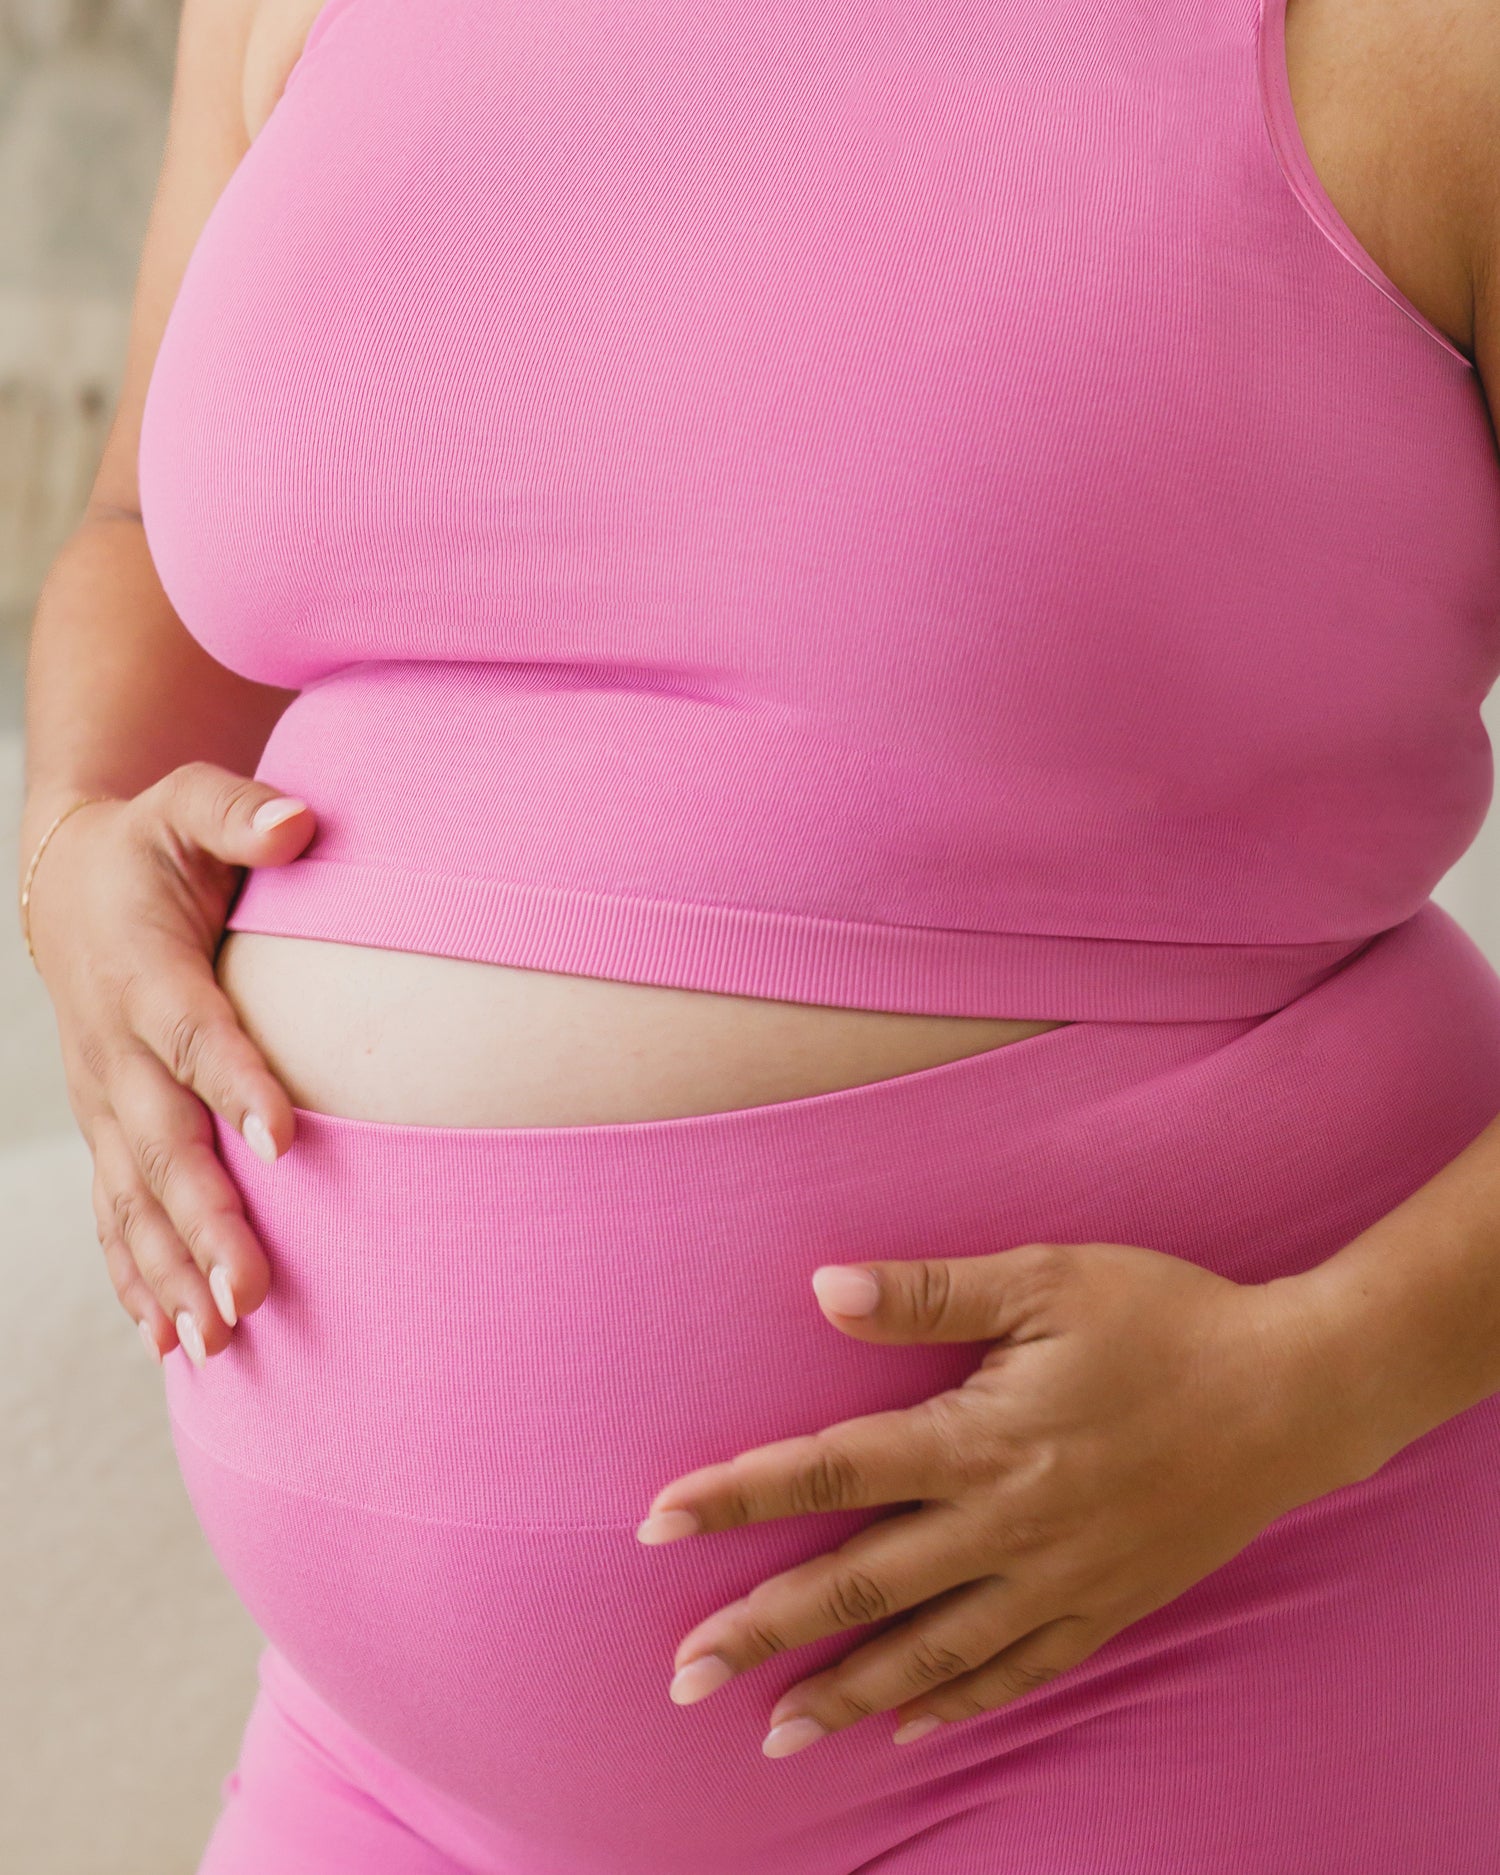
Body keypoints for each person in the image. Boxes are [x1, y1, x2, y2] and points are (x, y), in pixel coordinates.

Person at [18, 0, 1500, 1867]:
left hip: (1193, 1648)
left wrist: (1321, 1384)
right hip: (379, 1761)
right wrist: (73, 848)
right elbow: (145, 528)